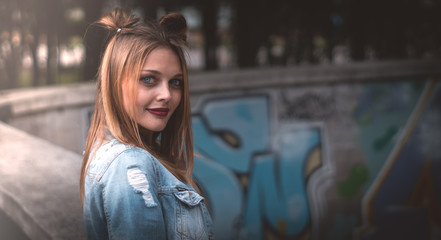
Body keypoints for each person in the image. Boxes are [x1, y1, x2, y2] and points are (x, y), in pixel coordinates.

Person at [79, 8, 214, 240]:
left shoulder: (114, 150)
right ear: (114, 83)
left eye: (175, 82)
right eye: (148, 79)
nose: (167, 95)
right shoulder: (130, 166)